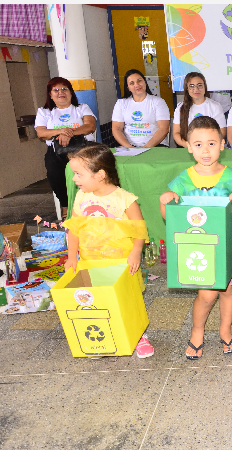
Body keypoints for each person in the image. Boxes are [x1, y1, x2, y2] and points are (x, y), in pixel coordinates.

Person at [160, 116, 232, 359]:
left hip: (230, 246)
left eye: (212, 143)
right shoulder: (182, 181)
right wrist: (165, 202)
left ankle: (225, 330)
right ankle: (197, 330)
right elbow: (169, 216)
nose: (206, 150)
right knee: (206, 293)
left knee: (227, 290)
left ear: (222, 144)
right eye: (199, 144)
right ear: (189, 147)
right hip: (199, 248)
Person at [62, 143, 154, 358]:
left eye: (78, 174)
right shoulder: (81, 197)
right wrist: (71, 257)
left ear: (100, 174)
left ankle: (139, 335)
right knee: (98, 300)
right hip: (90, 261)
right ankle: (105, 335)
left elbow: (139, 229)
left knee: (127, 299)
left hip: (121, 262)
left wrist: (135, 252)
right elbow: (74, 229)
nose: (74, 179)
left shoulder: (125, 199)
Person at [35, 77, 97, 219]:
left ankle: (90, 204)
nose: (60, 92)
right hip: (57, 152)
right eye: (55, 90)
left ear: (71, 92)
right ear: (50, 94)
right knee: (54, 172)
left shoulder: (82, 108)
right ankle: (66, 207)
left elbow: (90, 126)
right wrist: (61, 131)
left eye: (64, 89)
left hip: (83, 149)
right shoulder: (44, 111)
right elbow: (41, 133)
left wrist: (69, 133)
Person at [112, 69, 170, 148]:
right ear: (128, 87)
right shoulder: (121, 103)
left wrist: (145, 148)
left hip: (155, 146)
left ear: (145, 82)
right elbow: (117, 129)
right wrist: (129, 147)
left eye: (139, 81)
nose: (137, 85)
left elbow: (164, 128)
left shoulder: (158, 102)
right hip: (130, 147)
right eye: (131, 83)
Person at [173, 72, 226, 147]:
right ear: (187, 88)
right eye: (191, 86)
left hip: (210, 147)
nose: (196, 89)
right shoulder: (180, 108)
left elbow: (222, 132)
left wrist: (207, 145)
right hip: (187, 148)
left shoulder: (215, 106)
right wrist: (190, 146)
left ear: (205, 87)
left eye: (199, 85)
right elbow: (176, 133)